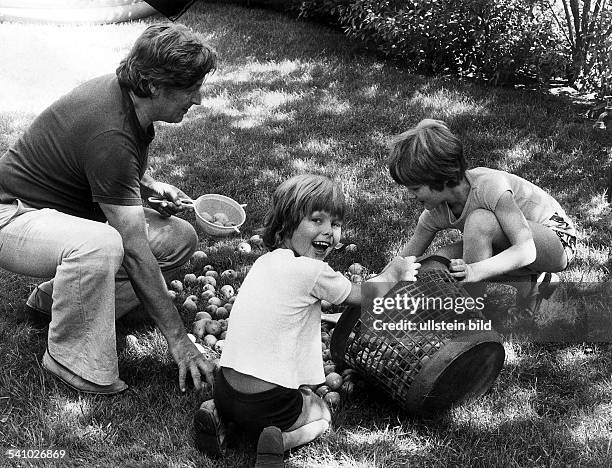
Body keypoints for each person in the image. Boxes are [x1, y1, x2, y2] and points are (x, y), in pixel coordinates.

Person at [0, 23, 218, 395]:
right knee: (104, 243)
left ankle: (51, 301)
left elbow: (103, 167)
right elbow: (133, 249)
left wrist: (146, 187)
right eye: (190, 88)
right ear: (152, 85)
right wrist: (180, 341)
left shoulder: (125, 99)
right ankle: (73, 360)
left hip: (53, 215)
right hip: (12, 216)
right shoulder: (111, 132)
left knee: (178, 237)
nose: (197, 99)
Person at [193, 174, 420, 467]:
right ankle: (279, 440)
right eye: (317, 220)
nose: (329, 231)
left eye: (335, 224)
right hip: (268, 402)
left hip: (225, 387)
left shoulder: (263, 263)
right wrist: (394, 274)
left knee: (253, 395)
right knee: (322, 414)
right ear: (285, 226)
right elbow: (361, 294)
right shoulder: (312, 271)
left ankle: (218, 413)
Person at [387, 118, 577, 318]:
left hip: (557, 241)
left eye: (415, 188)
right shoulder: (435, 212)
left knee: (479, 222)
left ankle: (470, 314)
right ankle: (531, 282)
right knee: (434, 264)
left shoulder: (490, 186)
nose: (410, 195)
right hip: (513, 243)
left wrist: (473, 271)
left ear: (441, 178)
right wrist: (372, 291)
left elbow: (526, 250)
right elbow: (403, 261)